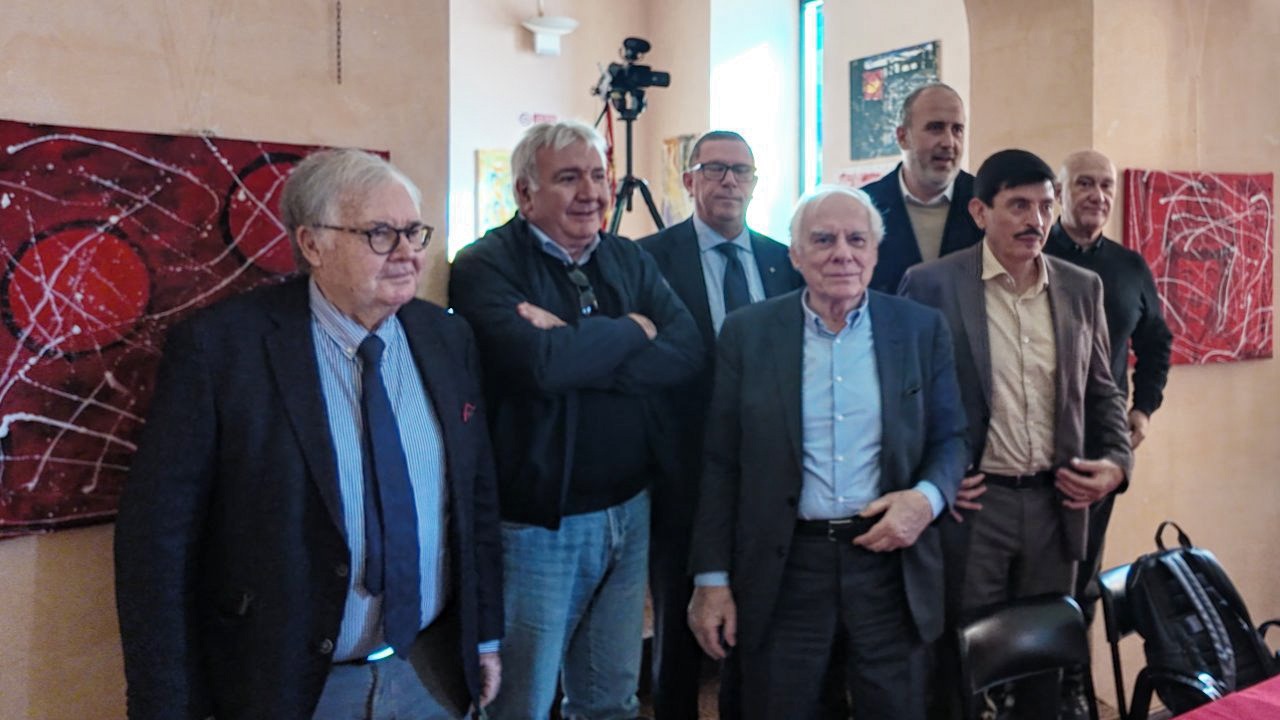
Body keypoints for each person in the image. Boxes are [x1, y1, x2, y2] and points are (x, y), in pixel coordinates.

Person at [114, 149, 503, 720]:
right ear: (313, 244)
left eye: (414, 232)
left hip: (429, 670)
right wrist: (164, 704)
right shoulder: (222, 350)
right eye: (380, 233)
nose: (408, 253)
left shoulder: (447, 338)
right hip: (291, 688)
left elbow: (476, 498)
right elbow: (157, 544)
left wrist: (484, 635)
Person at [449, 120, 703, 720]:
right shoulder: (484, 266)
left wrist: (577, 347)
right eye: (568, 178)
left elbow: (687, 349)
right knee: (520, 704)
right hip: (539, 526)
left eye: (597, 175)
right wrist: (633, 329)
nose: (591, 193)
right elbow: (541, 367)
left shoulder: (627, 256)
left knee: (610, 700)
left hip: (630, 509)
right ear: (524, 193)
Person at [686, 185, 968, 720]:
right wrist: (711, 579)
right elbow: (721, 462)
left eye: (856, 240)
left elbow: (952, 437)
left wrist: (926, 500)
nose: (843, 253)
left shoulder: (919, 329)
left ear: (875, 253)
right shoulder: (748, 333)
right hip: (787, 566)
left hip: (889, 563)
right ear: (795, 254)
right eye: (823, 240)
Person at [900, 149, 1133, 719]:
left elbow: (1103, 391)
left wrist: (1117, 463)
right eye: (1019, 205)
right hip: (976, 507)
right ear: (980, 211)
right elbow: (903, 401)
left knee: (1043, 663)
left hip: (1057, 504)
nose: (1037, 220)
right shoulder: (932, 285)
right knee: (961, 662)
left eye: (1046, 206)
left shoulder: (1081, 288)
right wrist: (933, 481)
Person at [637, 130, 803, 720]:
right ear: (690, 180)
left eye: (741, 171)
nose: (729, 181)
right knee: (680, 634)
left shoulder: (785, 260)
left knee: (759, 627)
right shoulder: (648, 259)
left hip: (768, 475)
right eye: (715, 169)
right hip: (682, 471)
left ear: (756, 183)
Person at [1046, 149, 1173, 718]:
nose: (1097, 195)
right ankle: (1021, 689)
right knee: (1032, 575)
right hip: (1030, 444)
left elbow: (1156, 343)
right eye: (1084, 184)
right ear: (1060, 192)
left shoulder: (1129, 266)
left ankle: (1074, 689)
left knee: (1083, 572)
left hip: (1098, 448)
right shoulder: (1034, 254)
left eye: (1105, 185)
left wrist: (1143, 410)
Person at [863, 82, 983, 295]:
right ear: (902, 137)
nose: (949, 142)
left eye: (957, 130)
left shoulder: (987, 202)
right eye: (935, 128)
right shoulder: (864, 206)